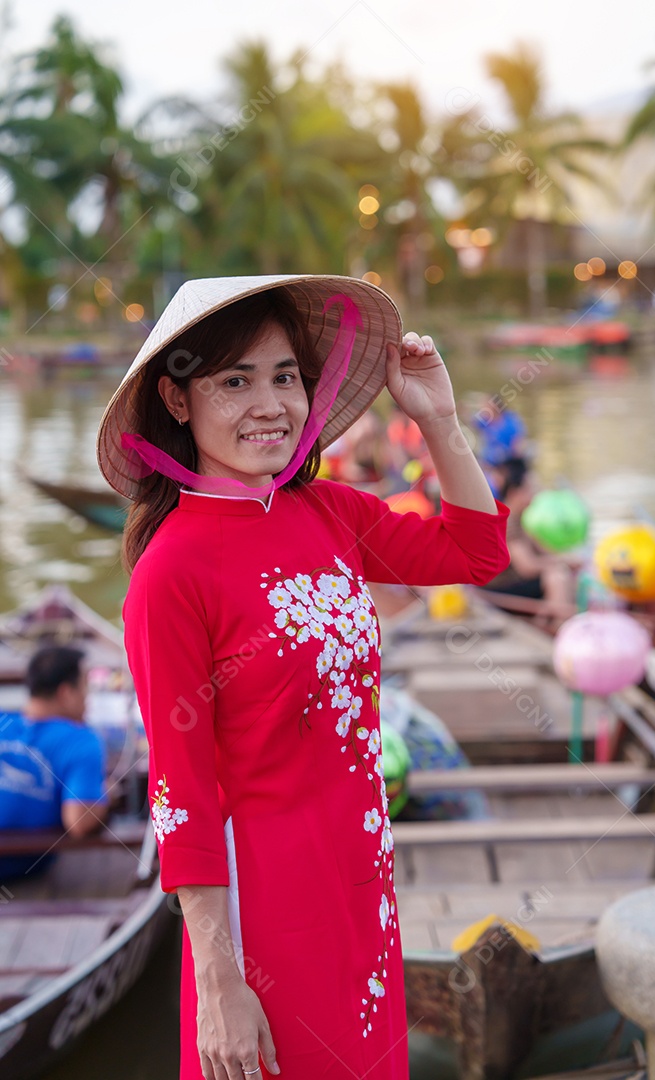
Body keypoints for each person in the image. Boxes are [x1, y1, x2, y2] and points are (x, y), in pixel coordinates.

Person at [97, 274, 510, 1080]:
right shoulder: (170, 573)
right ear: (178, 403)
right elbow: (182, 793)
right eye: (234, 381)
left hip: (361, 889)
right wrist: (218, 977)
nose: (269, 403)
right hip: (265, 916)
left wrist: (439, 422)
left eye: (285, 376)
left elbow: (477, 553)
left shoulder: (326, 512)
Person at [0, 645, 109, 881]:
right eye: (84, 687)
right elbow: (80, 821)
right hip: (25, 872)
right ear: (65, 693)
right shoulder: (81, 740)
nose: (87, 698)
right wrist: (107, 796)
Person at [482, 458, 573, 607]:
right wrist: (561, 563)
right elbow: (527, 567)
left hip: (515, 583)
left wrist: (567, 560)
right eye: (530, 487)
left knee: (563, 570)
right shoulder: (507, 522)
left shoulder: (519, 519)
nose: (536, 492)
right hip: (498, 589)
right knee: (557, 576)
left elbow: (544, 551)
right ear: (515, 492)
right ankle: (558, 622)